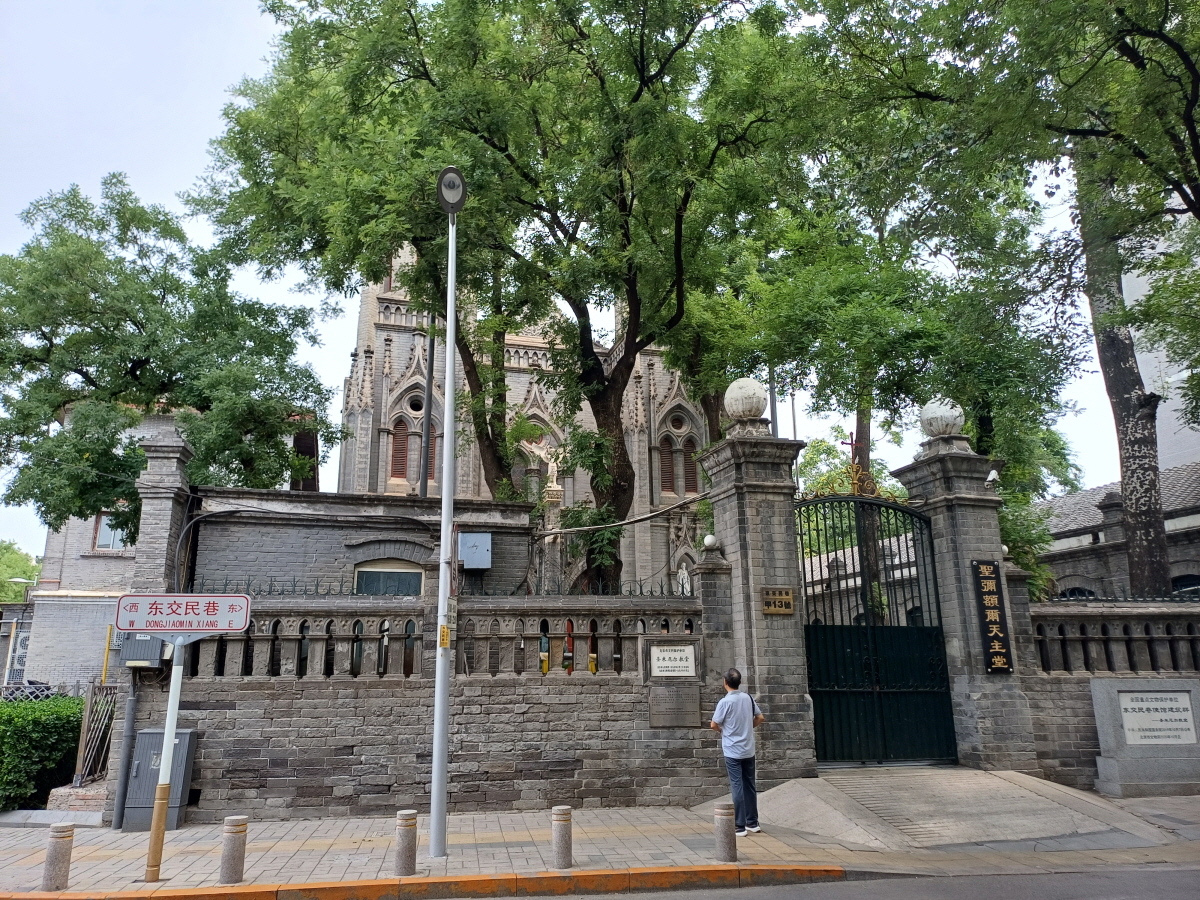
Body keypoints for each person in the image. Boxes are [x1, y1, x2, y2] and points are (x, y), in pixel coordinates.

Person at [710, 667, 765, 837]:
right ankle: (752, 823)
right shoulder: (748, 698)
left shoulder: (725, 702)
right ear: (739, 682)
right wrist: (748, 728)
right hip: (748, 748)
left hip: (732, 750)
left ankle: (739, 826)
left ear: (725, 682)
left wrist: (723, 731)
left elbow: (714, 724)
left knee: (737, 786)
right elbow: (760, 718)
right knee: (750, 785)